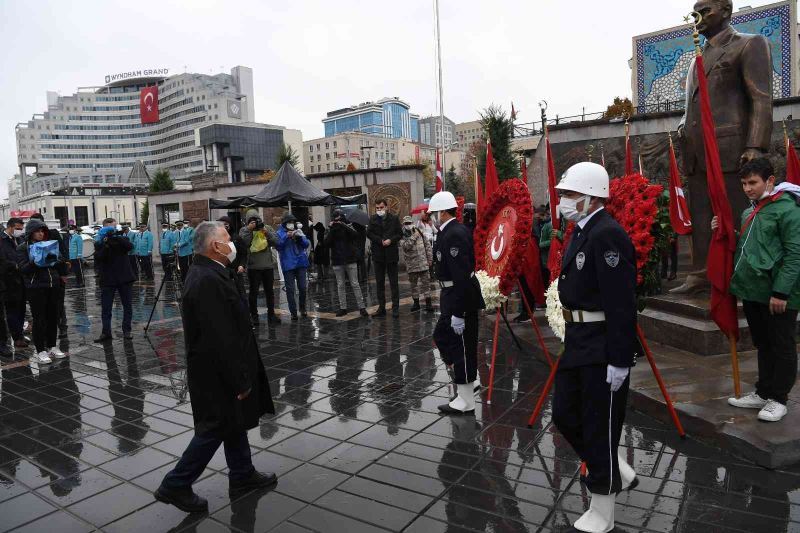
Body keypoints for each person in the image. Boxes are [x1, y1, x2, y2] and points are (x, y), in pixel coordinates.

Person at [154, 221, 276, 513]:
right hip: (217, 373)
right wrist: (240, 380)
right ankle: (176, 484)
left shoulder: (212, 272)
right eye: (226, 238)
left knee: (233, 423)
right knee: (213, 429)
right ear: (214, 246)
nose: (231, 242)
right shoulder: (206, 280)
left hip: (220, 370)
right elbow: (220, 337)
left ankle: (242, 474)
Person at [551, 162, 638, 533]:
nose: (563, 202)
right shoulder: (583, 230)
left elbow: (621, 302)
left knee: (599, 425)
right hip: (579, 341)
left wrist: (620, 359)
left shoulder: (607, 235)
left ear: (591, 197)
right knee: (565, 414)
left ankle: (603, 509)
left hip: (602, 346)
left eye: (569, 195)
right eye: (563, 195)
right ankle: (613, 467)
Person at [719, 158, 800, 423]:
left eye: (752, 182)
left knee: (782, 345)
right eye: (743, 183)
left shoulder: (788, 210)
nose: (747, 188)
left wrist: (782, 292)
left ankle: (779, 398)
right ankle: (764, 392)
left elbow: (794, 254)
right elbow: (749, 244)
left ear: (770, 181)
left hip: (779, 294)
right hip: (753, 291)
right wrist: (724, 232)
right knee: (763, 344)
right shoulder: (750, 211)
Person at [429, 191, 485, 415]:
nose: (432, 217)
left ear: (442, 212)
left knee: (460, 346)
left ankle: (466, 399)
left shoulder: (454, 234)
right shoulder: (448, 232)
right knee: (445, 338)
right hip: (450, 294)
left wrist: (459, 312)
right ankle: (469, 382)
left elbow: (462, 274)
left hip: (458, 295)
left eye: (434, 213)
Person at [17, 218, 69, 364]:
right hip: (36, 287)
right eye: (37, 231)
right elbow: (23, 268)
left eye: (42, 231)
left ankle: (52, 345)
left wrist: (57, 260)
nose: (40, 234)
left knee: (53, 317)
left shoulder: (50, 244)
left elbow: (60, 262)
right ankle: (41, 350)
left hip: (53, 285)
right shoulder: (23, 247)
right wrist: (37, 261)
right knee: (39, 319)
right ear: (31, 233)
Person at [93, 223, 136, 343]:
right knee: (106, 308)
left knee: (127, 305)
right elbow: (99, 257)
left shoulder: (122, 240)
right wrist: (106, 244)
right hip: (108, 280)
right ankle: (106, 332)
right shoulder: (100, 244)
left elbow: (129, 246)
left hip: (124, 278)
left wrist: (116, 237)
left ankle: (126, 330)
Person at [29, 213, 68, 335]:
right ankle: (46, 332)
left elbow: (63, 253)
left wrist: (63, 273)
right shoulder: (28, 242)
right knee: (42, 308)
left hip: (55, 275)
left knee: (58, 304)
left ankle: (62, 327)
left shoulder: (53, 234)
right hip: (38, 279)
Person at [325, 210, 368, 318]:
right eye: (336, 219)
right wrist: (331, 229)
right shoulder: (331, 229)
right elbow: (326, 243)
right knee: (340, 285)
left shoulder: (348, 226)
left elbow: (355, 235)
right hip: (337, 261)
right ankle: (343, 308)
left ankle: (362, 307)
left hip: (350, 259)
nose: (337, 221)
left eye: (339, 219)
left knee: (355, 284)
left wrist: (343, 225)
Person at [239, 216, 280, 324]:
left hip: (267, 266)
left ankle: (271, 315)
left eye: (257, 221)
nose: (256, 224)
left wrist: (266, 232)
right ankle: (254, 316)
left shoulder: (266, 228)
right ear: (248, 223)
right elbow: (244, 243)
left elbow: (276, 241)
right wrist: (250, 229)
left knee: (270, 292)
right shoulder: (245, 230)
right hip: (254, 267)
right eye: (253, 222)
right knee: (253, 292)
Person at [367, 198, 402, 317]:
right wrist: (379, 240)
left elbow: (399, 234)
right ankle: (381, 307)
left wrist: (391, 240)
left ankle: (395, 307)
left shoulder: (394, 218)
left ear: (386, 207)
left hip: (391, 254)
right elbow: (369, 233)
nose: (379, 210)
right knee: (379, 283)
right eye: (377, 208)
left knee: (394, 283)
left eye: (381, 207)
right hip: (378, 255)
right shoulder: (373, 219)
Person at [276, 213, 310, 320]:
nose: (291, 224)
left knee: (303, 287)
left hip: (301, 262)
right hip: (288, 263)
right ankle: (293, 312)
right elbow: (279, 246)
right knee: (290, 289)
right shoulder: (279, 232)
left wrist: (299, 237)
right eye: (289, 222)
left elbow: (306, 244)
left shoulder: (298, 231)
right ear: (285, 223)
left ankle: (303, 308)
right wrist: (287, 236)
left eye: (293, 222)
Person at [0, 218, 27, 350]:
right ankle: (16, 337)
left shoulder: (21, 240)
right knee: (12, 310)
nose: (20, 231)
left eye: (21, 228)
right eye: (18, 228)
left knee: (21, 309)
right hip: (8, 281)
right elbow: (2, 260)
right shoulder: (2, 240)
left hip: (21, 279)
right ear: (10, 227)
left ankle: (19, 334)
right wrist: (14, 266)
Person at [400, 215, 434, 313]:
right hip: (412, 265)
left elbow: (427, 245)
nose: (408, 225)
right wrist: (413, 237)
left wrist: (430, 259)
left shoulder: (419, 231)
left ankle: (428, 303)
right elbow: (406, 246)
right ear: (404, 224)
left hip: (423, 263)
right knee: (413, 285)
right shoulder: (402, 235)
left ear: (412, 223)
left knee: (426, 285)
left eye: (409, 223)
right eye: (406, 224)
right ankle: (416, 303)